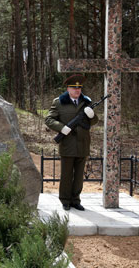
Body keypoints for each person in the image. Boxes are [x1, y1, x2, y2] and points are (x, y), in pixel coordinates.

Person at [45, 74, 98, 211]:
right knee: (67, 174)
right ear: (68, 88)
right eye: (74, 88)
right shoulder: (59, 102)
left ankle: (76, 200)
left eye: (79, 88)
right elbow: (49, 119)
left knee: (79, 175)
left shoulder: (86, 102)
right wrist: (62, 127)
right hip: (68, 144)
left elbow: (94, 121)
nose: (77, 90)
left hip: (83, 143)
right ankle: (65, 200)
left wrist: (92, 115)